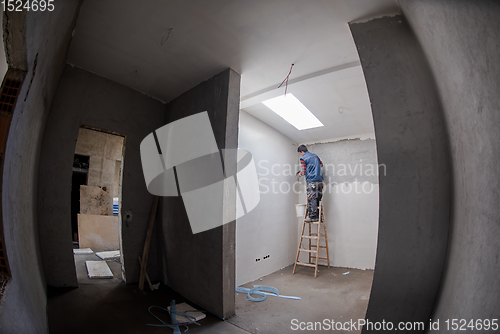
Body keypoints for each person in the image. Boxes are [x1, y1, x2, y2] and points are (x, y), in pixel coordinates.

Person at [296, 145, 324, 222]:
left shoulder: (303, 158)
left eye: (300, 153)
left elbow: (304, 172)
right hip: (320, 181)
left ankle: (313, 216)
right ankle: (319, 216)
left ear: (301, 152)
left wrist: (299, 174)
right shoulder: (315, 156)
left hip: (311, 181)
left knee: (311, 198)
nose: (301, 154)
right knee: (318, 197)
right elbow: (321, 165)